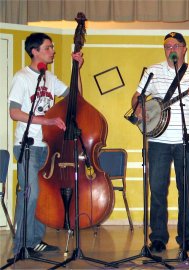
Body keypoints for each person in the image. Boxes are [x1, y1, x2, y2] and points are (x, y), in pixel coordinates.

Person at [131, 32, 189, 253]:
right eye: (167, 46)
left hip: (188, 140)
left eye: (176, 45)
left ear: (184, 49)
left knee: (187, 190)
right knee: (157, 189)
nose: (171, 49)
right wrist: (140, 109)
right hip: (158, 141)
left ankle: (186, 237)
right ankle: (157, 237)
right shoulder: (153, 71)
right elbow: (137, 97)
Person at [8, 32, 84, 258]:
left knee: (41, 197)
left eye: (52, 47)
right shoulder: (22, 77)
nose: (53, 51)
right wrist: (47, 120)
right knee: (29, 195)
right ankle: (21, 246)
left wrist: (76, 69)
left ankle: (35, 241)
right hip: (27, 146)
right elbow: (14, 112)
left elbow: (75, 96)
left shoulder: (50, 78)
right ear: (35, 51)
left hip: (48, 147)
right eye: (48, 47)